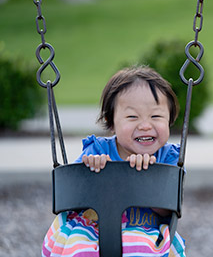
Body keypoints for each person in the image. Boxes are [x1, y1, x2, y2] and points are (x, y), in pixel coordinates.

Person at [42, 65, 186, 257]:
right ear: (111, 123)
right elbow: (73, 195)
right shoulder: (98, 150)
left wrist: (143, 177)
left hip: (147, 234)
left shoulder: (168, 158)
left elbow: (167, 208)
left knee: (141, 249)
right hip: (93, 231)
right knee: (75, 246)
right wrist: (92, 170)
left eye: (156, 116)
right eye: (132, 117)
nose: (145, 125)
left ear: (169, 120)